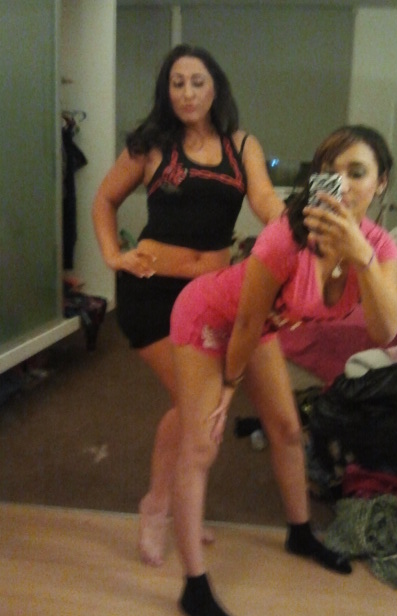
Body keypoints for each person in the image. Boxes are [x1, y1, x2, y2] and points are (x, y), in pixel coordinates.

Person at [169, 124, 397, 616]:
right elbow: (246, 321)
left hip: (262, 327)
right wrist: (228, 387)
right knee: (200, 443)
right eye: (330, 172)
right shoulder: (286, 236)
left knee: (289, 430)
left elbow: (386, 329)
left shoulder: (380, 247)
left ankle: (300, 533)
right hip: (211, 315)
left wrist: (360, 255)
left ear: (381, 182)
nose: (343, 184)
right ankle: (194, 587)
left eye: (357, 173)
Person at [92, 44, 285, 566]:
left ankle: (177, 504)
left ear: (214, 87)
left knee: (196, 413)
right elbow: (104, 199)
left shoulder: (241, 145)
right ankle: (158, 506)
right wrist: (112, 255)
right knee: (196, 409)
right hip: (152, 293)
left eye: (197, 82)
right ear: (167, 90)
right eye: (177, 83)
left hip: (208, 299)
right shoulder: (152, 146)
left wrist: (291, 222)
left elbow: (265, 200)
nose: (187, 93)